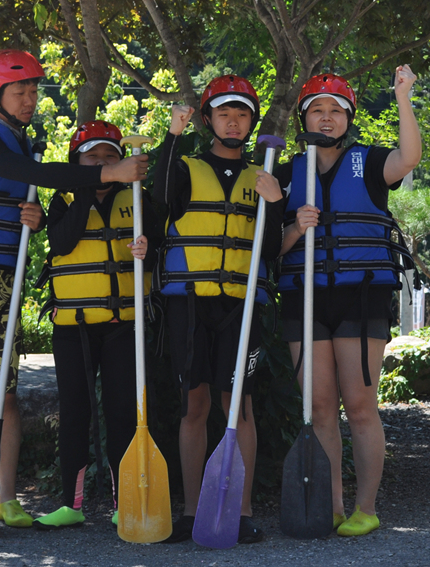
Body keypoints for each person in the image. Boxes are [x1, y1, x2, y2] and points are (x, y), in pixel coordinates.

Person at [0, 50, 149, 534]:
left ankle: (8, 500)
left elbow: (26, 207)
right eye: (20, 91)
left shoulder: (22, 143)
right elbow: (40, 176)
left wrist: (33, 222)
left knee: (5, 395)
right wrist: (109, 172)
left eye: (34, 91)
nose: (30, 100)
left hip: (4, 279)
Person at [276, 66, 421, 537]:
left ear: (348, 118)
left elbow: (409, 157)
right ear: (303, 118)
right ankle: (332, 505)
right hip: (305, 298)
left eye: (335, 110)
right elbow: (269, 246)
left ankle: (366, 508)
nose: (326, 117)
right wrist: (296, 227)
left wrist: (403, 98)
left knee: (359, 405)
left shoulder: (371, 162)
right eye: (316, 109)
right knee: (319, 409)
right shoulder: (285, 175)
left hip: (361, 294)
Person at [153, 75, 285, 544]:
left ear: (251, 123)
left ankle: (241, 512)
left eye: (242, 114)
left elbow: (271, 249)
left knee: (239, 408)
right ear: (208, 120)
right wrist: (172, 135)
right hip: (190, 305)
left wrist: (277, 203)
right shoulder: (185, 168)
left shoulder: (264, 178)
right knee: (194, 405)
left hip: (240, 306)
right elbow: (159, 198)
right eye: (224, 113)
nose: (233, 122)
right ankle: (192, 511)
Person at [33, 121, 163, 529]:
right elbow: (63, 243)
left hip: (125, 325)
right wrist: (88, 189)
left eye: (110, 156)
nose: (103, 163)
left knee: (123, 413)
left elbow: (158, 251)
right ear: (77, 162)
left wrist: (148, 249)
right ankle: (71, 505)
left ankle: (125, 503)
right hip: (74, 326)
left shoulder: (137, 198)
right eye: (93, 158)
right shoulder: (63, 201)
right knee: (75, 412)